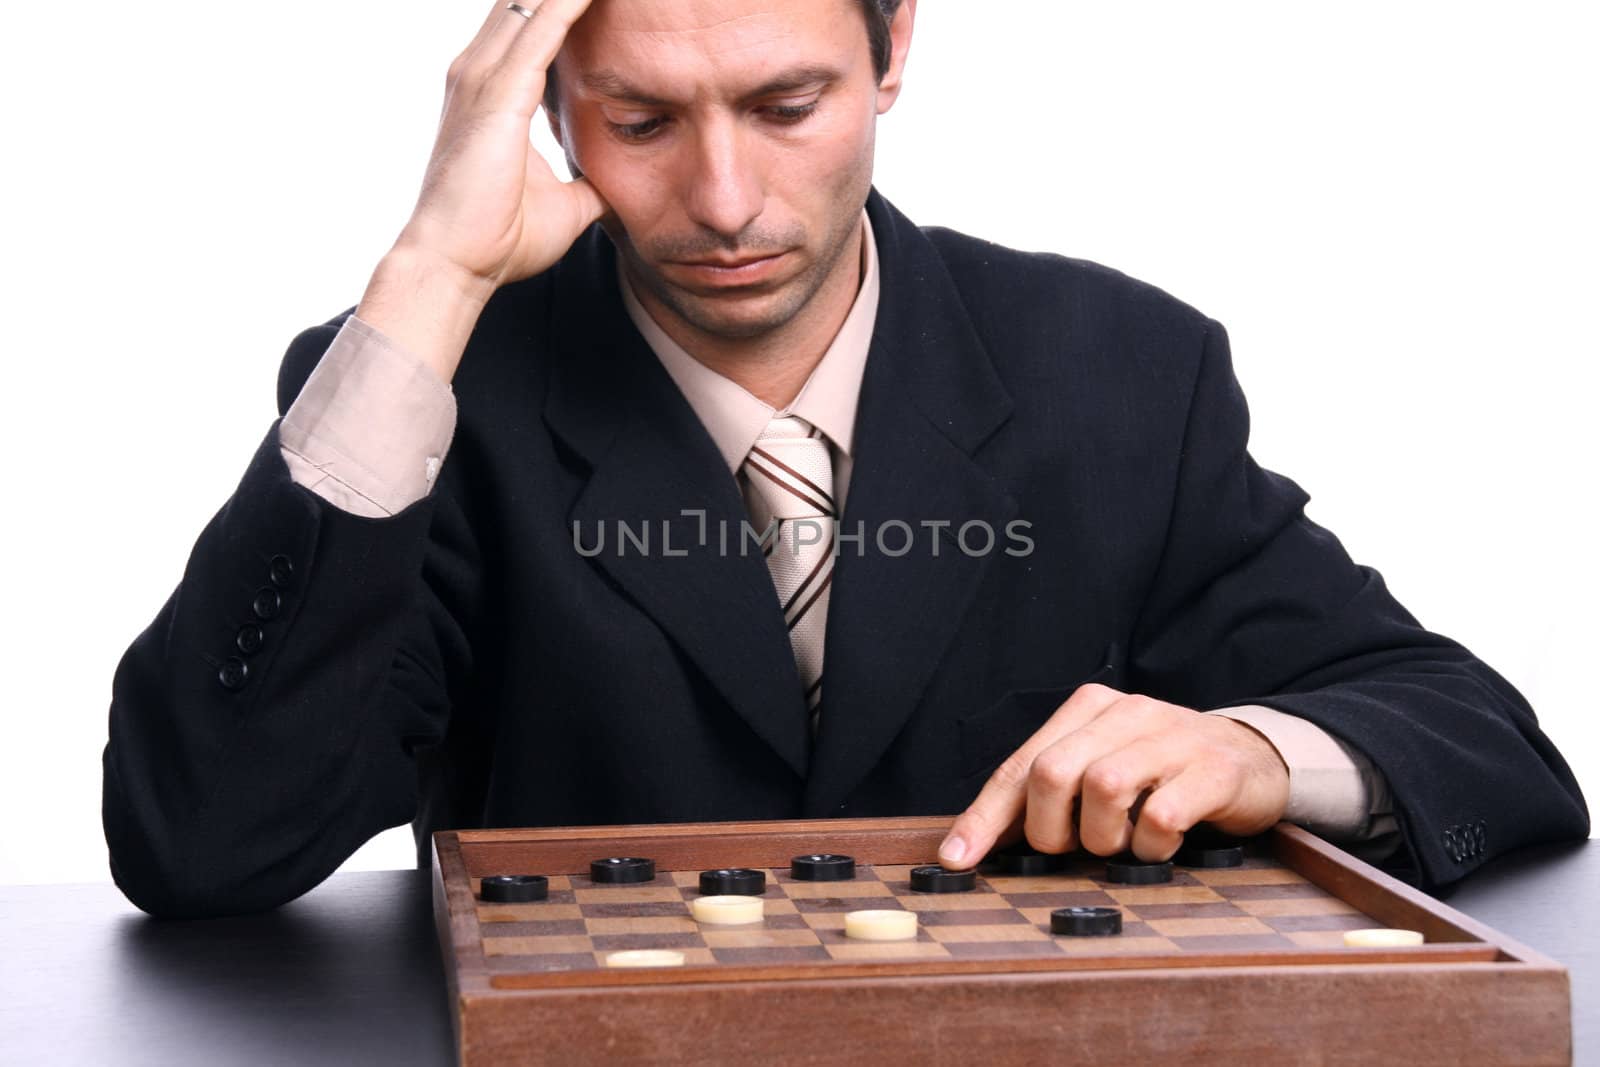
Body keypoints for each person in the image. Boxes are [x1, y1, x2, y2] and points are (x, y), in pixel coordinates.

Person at [102, 0, 1586, 919]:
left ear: (893, 51)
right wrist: (430, 274)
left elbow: (1483, 743)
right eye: (640, 121)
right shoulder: (428, 393)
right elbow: (200, 845)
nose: (726, 197)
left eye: (784, 104)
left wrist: (1255, 750)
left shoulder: (1124, 371)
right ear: (547, 110)